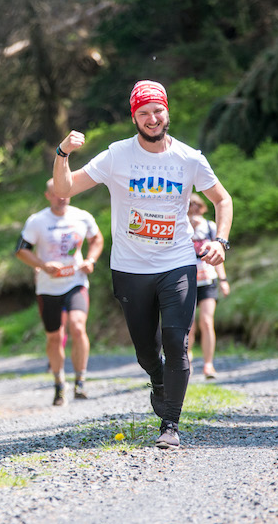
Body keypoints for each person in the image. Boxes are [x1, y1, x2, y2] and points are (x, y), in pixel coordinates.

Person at [53, 80, 233, 449]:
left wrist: (220, 240)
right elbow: (64, 189)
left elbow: (222, 199)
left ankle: (171, 424)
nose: (152, 118)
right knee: (147, 352)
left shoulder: (189, 158)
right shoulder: (117, 155)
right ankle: (158, 379)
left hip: (177, 262)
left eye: (157, 111)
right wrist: (62, 153)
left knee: (177, 342)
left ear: (167, 112)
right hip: (130, 268)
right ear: (134, 117)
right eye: (144, 113)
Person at [16, 179, 104, 406]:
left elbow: (97, 239)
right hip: (48, 287)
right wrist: (43, 265)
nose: (61, 197)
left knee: (77, 326)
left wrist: (90, 260)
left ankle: (80, 381)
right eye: (56, 193)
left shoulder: (82, 217)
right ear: (48, 196)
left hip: (76, 282)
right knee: (54, 337)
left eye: (65, 192)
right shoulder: (37, 221)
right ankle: (59, 384)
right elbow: (21, 250)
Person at [187, 193, 230, 379]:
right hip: (186, 281)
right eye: (190, 207)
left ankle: (208, 365)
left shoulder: (210, 227)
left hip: (207, 279)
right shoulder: (181, 227)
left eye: (197, 207)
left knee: (206, 321)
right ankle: (186, 362)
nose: (194, 210)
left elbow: (217, 256)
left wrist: (223, 280)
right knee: (188, 326)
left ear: (202, 208)